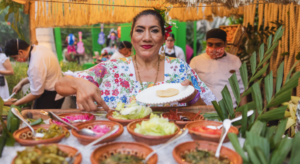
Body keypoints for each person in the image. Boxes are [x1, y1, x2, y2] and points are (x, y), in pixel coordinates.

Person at [55, 9, 216, 112]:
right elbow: (59, 85)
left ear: (163, 38)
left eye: (154, 31)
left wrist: (193, 97)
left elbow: (208, 110)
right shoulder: (110, 69)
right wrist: (78, 84)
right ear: (132, 38)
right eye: (139, 31)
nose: (146, 37)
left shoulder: (179, 68)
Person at [189, 29, 246, 108]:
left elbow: (241, 90)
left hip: (229, 109)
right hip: (204, 109)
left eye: (218, 44)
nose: (214, 48)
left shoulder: (235, 60)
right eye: (210, 44)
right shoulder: (196, 61)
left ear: (225, 44)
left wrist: (244, 114)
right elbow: (189, 87)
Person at [4, 39, 65, 109]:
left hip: (51, 96)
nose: (16, 60)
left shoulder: (36, 63)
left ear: (21, 52)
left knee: (44, 119)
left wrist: (16, 104)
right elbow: (39, 76)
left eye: (15, 57)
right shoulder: (38, 48)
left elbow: (36, 94)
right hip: (54, 91)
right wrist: (21, 83)